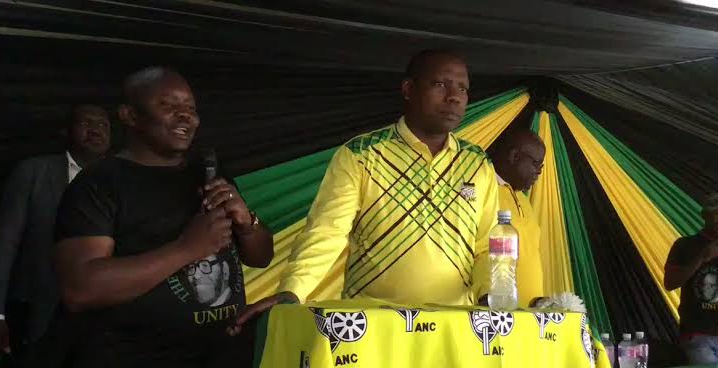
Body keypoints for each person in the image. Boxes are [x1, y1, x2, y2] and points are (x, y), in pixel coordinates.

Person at [53, 67, 273, 368]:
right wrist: (187, 249)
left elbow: (261, 257)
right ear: (129, 115)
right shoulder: (99, 185)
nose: (186, 116)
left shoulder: (209, 174)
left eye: (191, 107)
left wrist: (247, 223)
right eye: (168, 105)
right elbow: (80, 288)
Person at [231, 49, 499, 333]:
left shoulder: (477, 163)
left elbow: (487, 246)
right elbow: (328, 232)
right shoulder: (361, 155)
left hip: (455, 326)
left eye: (462, 88)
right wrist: (292, 291)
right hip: (372, 327)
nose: (454, 97)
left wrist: (490, 296)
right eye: (440, 84)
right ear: (408, 89)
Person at [0, 104, 110, 368]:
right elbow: (5, 243)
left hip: (99, 322)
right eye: (87, 123)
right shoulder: (34, 172)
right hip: (37, 313)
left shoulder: (120, 178)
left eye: (103, 124)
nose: (96, 130)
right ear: (66, 131)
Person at [664, 192, 718, 365]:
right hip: (697, 336)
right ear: (705, 216)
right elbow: (670, 283)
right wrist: (701, 258)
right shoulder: (684, 245)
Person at [488, 129, 546, 307]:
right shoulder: (485, 189)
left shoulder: (523, 199)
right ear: (514, 156)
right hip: (497, 311)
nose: (539, 172)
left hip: (529, 314)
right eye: (536, 164)